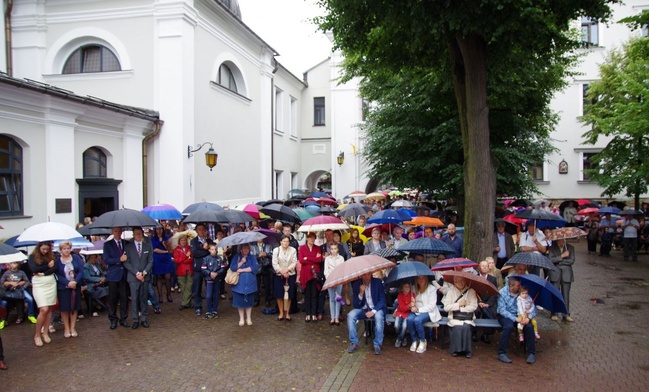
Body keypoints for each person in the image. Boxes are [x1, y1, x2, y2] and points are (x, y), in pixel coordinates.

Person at [497, 276, 537, 364]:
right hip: (507, 316)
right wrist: (515, 319)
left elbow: (534, 309)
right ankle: (501, 352)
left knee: (529, 327)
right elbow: (502, 310)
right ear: (511, 286)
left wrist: (528, 317)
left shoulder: (523, 293)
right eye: (518, 285)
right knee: (508, 327)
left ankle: (531, 353)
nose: (520, 287)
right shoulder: (502, 293)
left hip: (522, 315)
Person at [346, 272, 387, 355]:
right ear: (361, 275)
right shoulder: (357, 284)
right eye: (365, 275)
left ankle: (377, 345)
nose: (367, 277)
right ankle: (354, 343)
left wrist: (373, 311)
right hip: (363, 309)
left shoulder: (378, 282)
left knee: (379, 317)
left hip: (376, 309)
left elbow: (382, 300)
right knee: (350, 316)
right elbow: (356, 305)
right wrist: (361, 294)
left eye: (369, 274)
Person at [28, 242, 58, 347]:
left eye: (47, 249)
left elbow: (55, 268)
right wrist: (47, 266)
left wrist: (44, 272)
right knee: (43, 309)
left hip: (50, 282)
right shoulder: (32, 256)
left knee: (49, 309)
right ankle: (37, 334)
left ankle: (45, 332)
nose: (45, 251)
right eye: (43, 249)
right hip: (39, 284)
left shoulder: (52, 256)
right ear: (39, 248)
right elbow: (34, 269)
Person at [124, 227, 154, 329]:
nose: (139, 235)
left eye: (140, 233)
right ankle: (135, 319)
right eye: (136, 234)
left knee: (144, 297)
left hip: (145, 276)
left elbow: (150, 261)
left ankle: (144, 318)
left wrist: (144, 273)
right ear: (133, 235)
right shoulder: (128, 247)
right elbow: (126, 262)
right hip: (133, 277)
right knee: (134, 298)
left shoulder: (147, 246)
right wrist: (136, 273)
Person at [442, 276, 478, 358]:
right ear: (455, 283)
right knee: (457, 327)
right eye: (458, 281)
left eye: (463, 281)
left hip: (467, 317)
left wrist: (461, 309)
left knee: (466, 327)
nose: (461, 283)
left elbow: (474, 306)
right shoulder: (450, 292)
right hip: (454, 317)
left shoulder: (471, 291)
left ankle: (467, 350)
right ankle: (455, 349)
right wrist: (458, 305)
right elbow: (446, 307)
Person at [55, 241, 85, 338]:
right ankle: (66, 328)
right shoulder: (58, 261)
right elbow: (57, 275)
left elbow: (80, 271)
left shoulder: (76, 258)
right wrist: (67, 283)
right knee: (65, 308)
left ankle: (73, 328)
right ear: (61, 250)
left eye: (68, 248)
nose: (66, 250)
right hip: (63, 288)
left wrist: (75, 281)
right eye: (64, 249)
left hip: (75, 286)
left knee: (74, 307)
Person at [407, 275, 442, 354]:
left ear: (426, 279)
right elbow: (409, 301)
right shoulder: (413, 288)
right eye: (418, 278)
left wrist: (419, 309)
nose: (421, 280)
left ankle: (422, 340)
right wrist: (411, 304)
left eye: (423, 278)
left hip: (428, 311)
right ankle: (414, 340)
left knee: (417, 320)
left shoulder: (432, 289)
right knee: (409, 319)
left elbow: (431, 306)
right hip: (415, 310)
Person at [104, 227, 130, 329]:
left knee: (124, 298)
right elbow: (106, 260)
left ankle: (123, 318)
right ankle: (113, 319)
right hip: (113, 275)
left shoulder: (126, 243)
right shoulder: (107, 244)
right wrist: (119, 259)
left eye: (119, 231)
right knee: (113, 299)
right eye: (116, 231)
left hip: (124, 274)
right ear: (112, 232)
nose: (118, 233)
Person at [229, 243, 258, 326]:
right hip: (239, 284)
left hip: (250, 284)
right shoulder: (236, 257)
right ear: (240, 249)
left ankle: (249, 318)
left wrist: (242, 270)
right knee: (240, 302)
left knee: (249, 302)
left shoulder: (252, 257)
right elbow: (233, 268)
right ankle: (241, 318)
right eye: (244, 248)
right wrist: (241, 262)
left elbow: (254, 268)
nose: (246, 250)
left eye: (247, 248)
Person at [548, 237, 575, 322]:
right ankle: (554, 313)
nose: (561, 241)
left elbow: (571, 260)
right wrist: (562, 256)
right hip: (555, 274)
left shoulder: (570, 248)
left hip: (566, 274)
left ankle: (566, 314)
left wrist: (559, 262)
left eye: (562, 240)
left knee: (566, 295)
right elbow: (551, 260)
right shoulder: (552, 248)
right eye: (559, 240)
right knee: (555, 294)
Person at [272, 235, 298, 321]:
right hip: (279, 275)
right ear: (281, 242)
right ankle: (281, 312)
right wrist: (281, 271)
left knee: (289, 294)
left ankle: (287, 313)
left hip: (290, 274)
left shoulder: (293, 250)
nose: (285, 243)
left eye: (287, 241)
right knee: (279, 294)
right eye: (284, 241)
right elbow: (274, 263)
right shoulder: (276, 250)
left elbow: (294, 262)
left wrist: (287, 270)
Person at [299, 232, 323, 322]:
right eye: (310, 238)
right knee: (307, 295)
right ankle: (308, 314)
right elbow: (301, 260)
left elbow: (319, 260)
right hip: (305, 274)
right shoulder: (302, 248)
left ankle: (314, 313)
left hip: (315, 274)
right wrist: (313, 258)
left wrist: (307, 258)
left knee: (314, 294)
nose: (312, 240)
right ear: (307, 238)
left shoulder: (317, 248)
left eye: (313, 238)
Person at [475, 260, 499, 343]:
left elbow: (494, 293)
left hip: (489, 302)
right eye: (482, 266)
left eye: (486, 266)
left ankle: (486, 334)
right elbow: (472, 292)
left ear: (488, 268)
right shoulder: (474, 277)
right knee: (475, 311)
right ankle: (474, 333)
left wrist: (488, 304)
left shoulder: (492, 279)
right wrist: (479, 302)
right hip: (478, 301)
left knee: (492, 312)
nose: (485, 267)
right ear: (479, 267)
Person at [190, 224, 212, 316]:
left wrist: (207, 250)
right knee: (197, 288)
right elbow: (195, 253)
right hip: (198, 268)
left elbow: (213, 252)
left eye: (203, 229)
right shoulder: (193, 241)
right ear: (196, 231)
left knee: (209, 288)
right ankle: (198, 307)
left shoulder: (209, 241)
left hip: (208, 268)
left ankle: (209, 306)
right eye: (199, 229)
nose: (202, 231)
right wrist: (205, 250)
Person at [202, 244, 227, 319]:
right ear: (209, 250)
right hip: (209, 279)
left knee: (216, 295)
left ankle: (214, 310)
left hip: (217, 279)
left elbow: (222, 268)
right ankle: (209, 310)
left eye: (215, 249)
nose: (214, 251)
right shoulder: (206, 258)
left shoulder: (219, 258)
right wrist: (210, 273)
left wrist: (217, 273)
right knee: (209, 295)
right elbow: (203, 268)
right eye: (212, 249)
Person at [151, 226, 174, 303]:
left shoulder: (166, 237)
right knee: (159, 277)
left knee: (168, 276)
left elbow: (169, 249)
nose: (159, 231)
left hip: (166, 259)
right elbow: (155, 249)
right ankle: (160, 296)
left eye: (160, 229)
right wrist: (165, 251)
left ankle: (169, 294)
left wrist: (164, 243)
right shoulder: (153, 238)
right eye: (157, 229)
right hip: (157, 258)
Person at [324, 243, 345, 325]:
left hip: (339, 280)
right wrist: (330, 280)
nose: (333, 250)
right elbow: (326, 271)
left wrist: (338, 279)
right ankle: (332, 317)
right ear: (330, 250)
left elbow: (342, 269)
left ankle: (337, 317)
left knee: (338, 298)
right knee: (332, 299)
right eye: (332, 249)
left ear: (337, 249)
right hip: (330, 280)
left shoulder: (341, 258)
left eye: (335, 248)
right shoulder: (327, 259)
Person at [250, 239, 273, 308]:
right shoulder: (252, 246)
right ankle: (256, 300)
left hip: (266, 266)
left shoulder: (268, 245)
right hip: (257, 267)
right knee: (256, 284)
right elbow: (251, 257)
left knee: (267, 284)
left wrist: (266, 254)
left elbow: (272, 255)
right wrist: (258, 256)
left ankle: (267, 300)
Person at [173, 235, 194, 310]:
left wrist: (184, 259)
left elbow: (191, 259)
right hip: (181, 270)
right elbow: (177, 260)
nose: (183, 242)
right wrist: (185, 256)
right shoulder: (176, 249)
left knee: (189, 286)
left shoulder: (190, 248)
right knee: (183, 287)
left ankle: (184, 303)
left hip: (189, 269)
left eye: (184, 240)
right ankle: (187, 303)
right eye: (181, 240)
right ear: (179, 241)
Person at [392, 281, 415, 348]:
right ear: (402, 289)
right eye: (405, 287)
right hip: (399, 313)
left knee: (404, 326)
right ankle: (403, 337)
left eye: (408, 286)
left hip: (407, 314)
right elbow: (401, 308)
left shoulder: (412, 295)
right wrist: (409, 305)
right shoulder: (400, 296)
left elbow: (411, 308)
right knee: (396, 326)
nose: (408, 288)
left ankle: (399, 339)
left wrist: (413, 304)